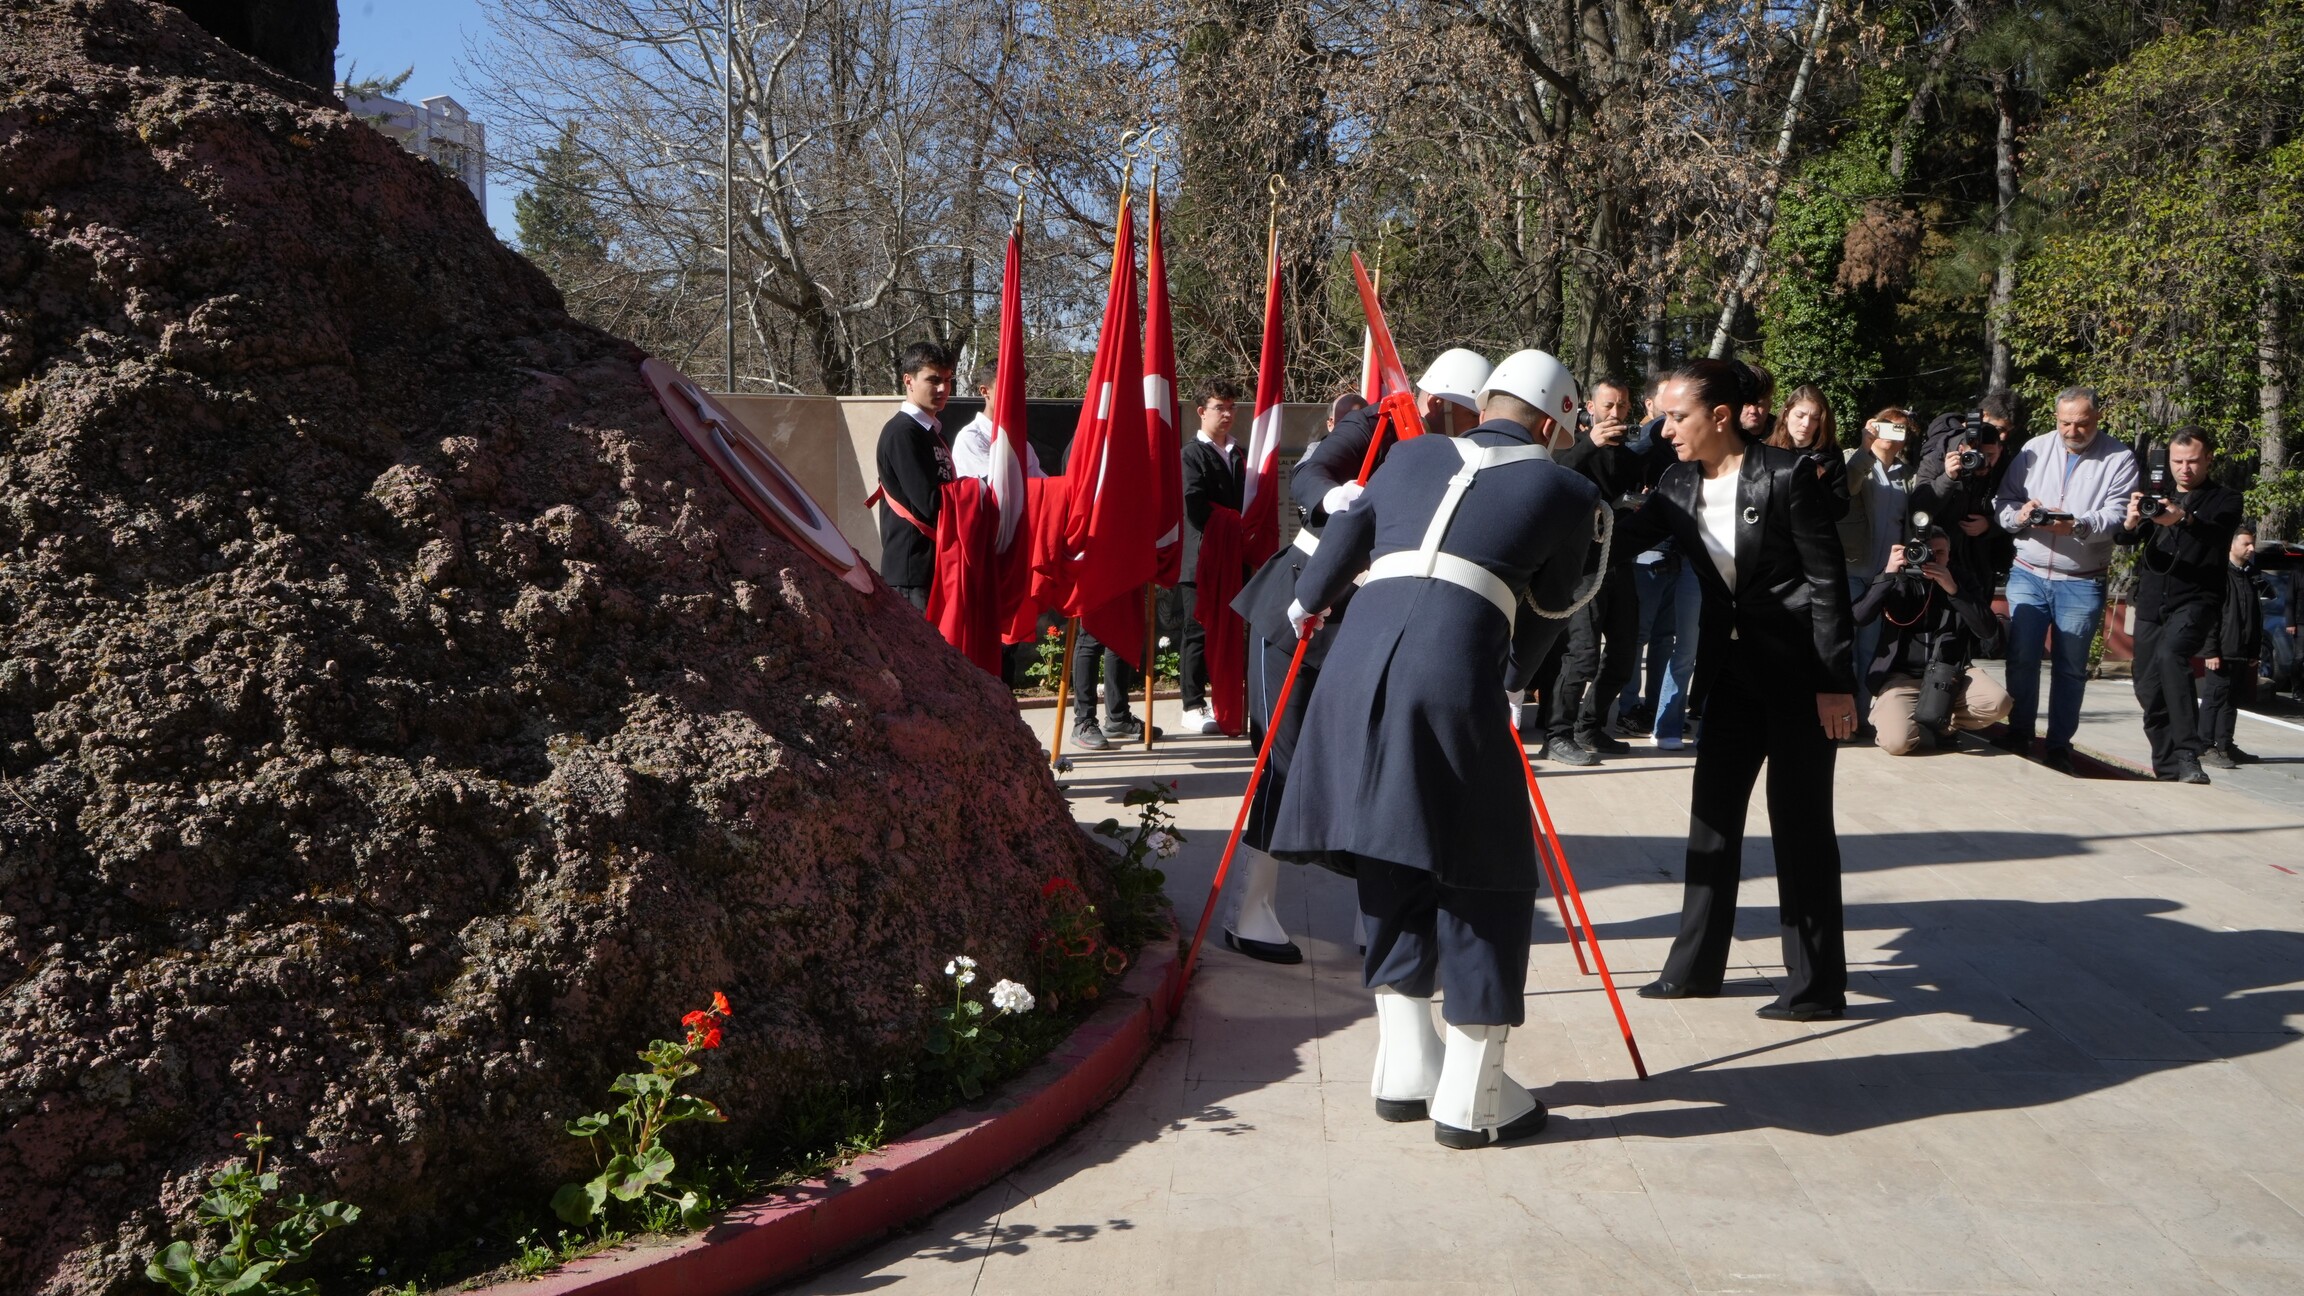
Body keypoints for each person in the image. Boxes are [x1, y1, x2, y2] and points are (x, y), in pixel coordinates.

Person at [1269, 349, 1597, 1148]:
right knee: (1485, 868)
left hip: (1351, 673)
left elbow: (1325, 569)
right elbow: (1553, 607)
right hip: (1451, 675)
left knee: (1393, 853)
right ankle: (1470, 1096)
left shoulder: (1410, 454)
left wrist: (1311, 607)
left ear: (1483, 403)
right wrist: (1510, 681)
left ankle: (1405, 1063)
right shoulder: (1570, 488)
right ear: (1553, 424)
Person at [1224, 349, 1496, 965]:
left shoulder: (1462, 454)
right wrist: (1337, 498)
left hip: (1371, 617)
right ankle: (1250, 908)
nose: (1466, 426)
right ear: (1434, 403)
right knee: (1282, 759)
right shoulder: (1373, 424)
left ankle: (1372, 911)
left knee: (1365, 762)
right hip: (1298, 602)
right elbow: (1310, 473)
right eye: (1460, 413)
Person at [1624, 359, 1856, 1022]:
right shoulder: (1673, 484)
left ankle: (1816, 986)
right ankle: (1694, 970)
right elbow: (1619, 535)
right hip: (1728, 679)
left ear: (1719, 417)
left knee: (1801, 826)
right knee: (1712, 823)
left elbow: (1828, 584)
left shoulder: (1787, 476)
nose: (1666, 429)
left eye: (1677, 417)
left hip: (1800, 682)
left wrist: (1835, 686)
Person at [1993, 387, 2139, 773]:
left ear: (2097, 418)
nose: (2073, 430)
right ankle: (2019, 732)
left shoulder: (2119, 457)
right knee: (2021, 657)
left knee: (2071, 667)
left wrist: (2077, 525)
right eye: (2065, 423)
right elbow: (2003, 503)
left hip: (2082, 578)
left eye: (2082, 423)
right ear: (2055, 418)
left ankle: (2059, 746)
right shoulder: (2034, 449)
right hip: (2028, 571)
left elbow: (2118, 513)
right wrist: (2021, 515)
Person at [2113, 428, 2243, 783]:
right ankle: (2168, 769)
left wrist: (2183, 518)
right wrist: (2130, 519)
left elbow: (2218, 535)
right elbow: (2125, 537)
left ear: (2209, 459)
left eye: (2192, 461)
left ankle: (2189, 753)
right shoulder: (2158, 495)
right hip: (2153, 601)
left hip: (2197, 599)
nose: (2184, 469)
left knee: (2172, 656)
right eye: (2177, 462)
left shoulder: (2226, 498)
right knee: (2147, 688)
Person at [1544, 378, 1644, 765]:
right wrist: (1590, 444)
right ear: (1590, 407)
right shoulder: (1572, 447)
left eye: (1622, 407)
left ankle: (1589, 726)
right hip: (1581, 566)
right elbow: (1554, 475)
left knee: (1623, 654)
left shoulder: (1632, 457)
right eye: (1608, 406)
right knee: (1582, 654)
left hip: (1619, 561)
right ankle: (1557, 734)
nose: (1615, 414)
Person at [1852, 528, 2012, 754]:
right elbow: (1859, 616)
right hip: (1902, 678)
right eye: (1925, 552)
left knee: (1998, 702)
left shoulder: (1961, 579)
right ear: (1911, 553)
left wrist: (1954, 591)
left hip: (1952, 674)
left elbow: (1988, 630)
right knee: (1896, 743)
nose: (1932, 558)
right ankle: (1910, 719)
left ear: (1950, 554)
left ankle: (1943, 724)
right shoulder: (1898, 578)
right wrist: (1888, 574)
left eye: (1940, 553)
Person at [1836, 408, 1921, 734]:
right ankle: (1841, 722)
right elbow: (1848, 488)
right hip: (1851, 568)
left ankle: (1859, 720)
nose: (1894, 434)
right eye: (1888, 426)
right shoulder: (1851, 459)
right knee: (1845, 650)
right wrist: (1865, 444)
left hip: (1883, 576)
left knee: (1871, 651)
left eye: (1902, 430)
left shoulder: (1907, 473)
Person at [1177, 380, 1248, 736]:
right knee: (1197, 631)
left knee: (1234, 630)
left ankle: (1229, 699)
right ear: (1201, 411)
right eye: (1220, 407)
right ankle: (1192, 704)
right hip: (1201, 558)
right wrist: (1232, 521)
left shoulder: (1240, 452)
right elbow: (1194, 505)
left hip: (1235, 558)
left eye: (1232, 407)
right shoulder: (1191, 454)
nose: (1228, 414)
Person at [872, 342, 957, 611]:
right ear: (908, 380)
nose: (943, 388)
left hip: (932, 569)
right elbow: (930, 503)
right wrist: (975, 491)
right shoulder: (902, 432)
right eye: (933, 380)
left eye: (947, 379)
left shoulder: (932, 432)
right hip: (911, 574)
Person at [1913, 395, 2017, 593]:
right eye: (1977, 454)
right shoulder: (1940, 454)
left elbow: (2016, 507)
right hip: (1940, 554)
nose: (1983, 461)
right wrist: (1948, 478)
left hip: (1979, 558)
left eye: (1990, 455)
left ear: (2000, 450)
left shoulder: (2003, 462)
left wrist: (1990, 524)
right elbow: (1918, 509)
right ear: (1962, 449)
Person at [2200, 525, 2265, 769]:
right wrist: (2211, 650)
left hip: (2242, 650)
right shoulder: (2219, 575)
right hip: (2222, 650)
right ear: (2231, 544)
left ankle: (2225, 744)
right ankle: (2205, 745)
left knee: (2232, 700)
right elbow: (2212, 615)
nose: (2251, 548)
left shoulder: (2249, 575)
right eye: (2246, 543)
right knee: (2214, 698)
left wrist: (2253, 651)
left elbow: (2254, 615)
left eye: (2252, 544)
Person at [1767, 384, 1850, 521]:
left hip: (1812, 536)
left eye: (1815, 418)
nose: (1806, 424)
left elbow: (1840, 511)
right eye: (1800, 415)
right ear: (1786, 414)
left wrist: (1818, 483)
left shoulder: (1831, 456)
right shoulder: (1767, 450)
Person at [949, 364, 1047, 480]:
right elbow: (995, 486)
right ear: (984, 391)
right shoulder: (971, 438)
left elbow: (1042, 485)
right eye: (1007, 388)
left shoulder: (1023, 444)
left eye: (1020, 388)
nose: (1016, 395)